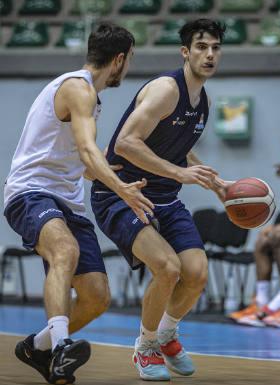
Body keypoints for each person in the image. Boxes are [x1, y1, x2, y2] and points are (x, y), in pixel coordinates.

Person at [4, 23, 153, 385]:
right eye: (129, 60)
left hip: (69, 202)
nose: (128, 67)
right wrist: (121, 188)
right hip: (30, 192)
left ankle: (36, 347)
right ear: (119, 60)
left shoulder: (90, 99)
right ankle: (61, 345)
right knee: (64, 251)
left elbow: (86, 164)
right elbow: (88, 150)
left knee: (97, 296)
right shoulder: (77, 89)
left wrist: (122, 173)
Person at [90, 19, 228, 381]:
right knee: (168, 268)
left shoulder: (203, 100)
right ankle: (146, 346)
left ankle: (167, 334)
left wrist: (212, 180)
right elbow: (126, 143)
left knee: (196, 273)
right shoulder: (166, 89)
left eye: (215, 47)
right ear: (185, 52)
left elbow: (181, 147)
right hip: (122, 192)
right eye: (201, 47)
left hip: (164, 197)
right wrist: (181, 173)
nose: (209, 54)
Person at [229, 133, 280, 326]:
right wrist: (275, 230)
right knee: (266, 241)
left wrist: (278, 229)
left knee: (276, 234)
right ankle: (263, 302)